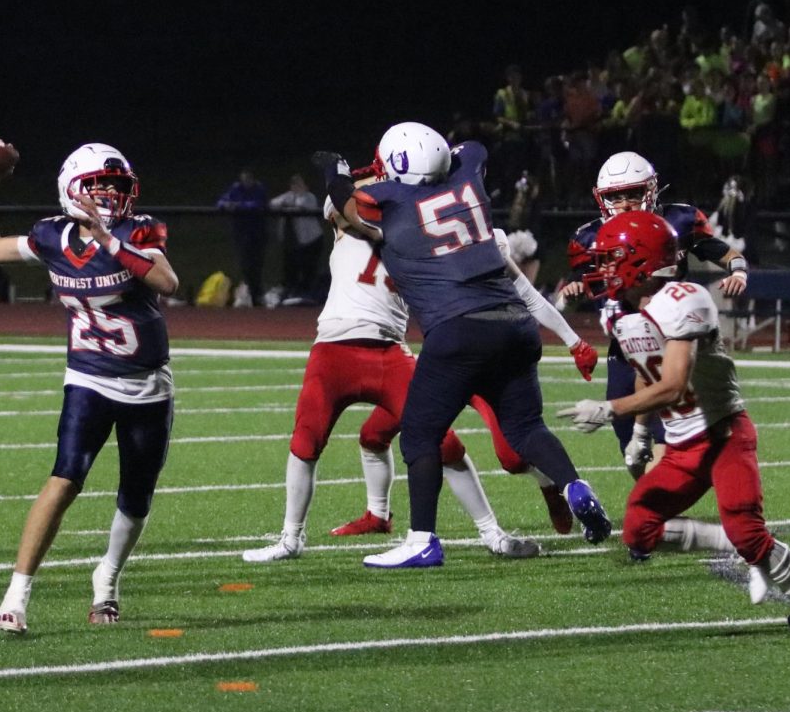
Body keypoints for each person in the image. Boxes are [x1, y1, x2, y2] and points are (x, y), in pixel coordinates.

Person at [318, 122, 610, 568]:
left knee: (418, 434)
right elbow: (471, 147)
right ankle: (573, 484)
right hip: (514, 324)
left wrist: (334, 170)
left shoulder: (394, 202)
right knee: (526, 428)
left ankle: (422, 540)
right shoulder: (469, 172)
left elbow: (346, 202)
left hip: (458, 329)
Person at [560, 210, 790, 646]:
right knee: (638, 529)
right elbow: (645, 370)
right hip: (681, 442)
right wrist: (639, 432)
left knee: (750, 531)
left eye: (611, 258)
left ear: (640, 260)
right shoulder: (625, 313)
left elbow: (672, 385)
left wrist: (608, 409)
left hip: (723, 433)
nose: (602, 269)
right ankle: (730, 544)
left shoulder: (684, 298)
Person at [242, 168, 547, 563]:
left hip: (388, 350)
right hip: (334, 347)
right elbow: (336, 204)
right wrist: (365, 179)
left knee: (443, 443)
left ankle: (494, 534)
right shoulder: (351, 223)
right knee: (305, 440)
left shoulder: (410, 232)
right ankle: (290, 538)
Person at [0, 143, 179, 634]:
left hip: (146, 384)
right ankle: (16, 595)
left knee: (136, 496)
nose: (108, 197)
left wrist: (109, 240)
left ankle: (107, 578)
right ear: (70, 189)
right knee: (65, 477)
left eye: (116, 188)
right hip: (87, 376)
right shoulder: (50, 236)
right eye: (97, 187)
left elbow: (167, 281)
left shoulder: (138, 229)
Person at [562, 151, 749, 480]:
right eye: (615, 196)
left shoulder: (678, 220)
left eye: (632, 193)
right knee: (631, 440)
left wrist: (739, 272)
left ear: (650, 190)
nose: (623, 204)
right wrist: (576, 292)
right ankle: (658, 506)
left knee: (678, 429)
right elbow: (592, 285)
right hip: (627, 343)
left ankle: (676, 503)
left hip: (675, 337)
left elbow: (725, 253)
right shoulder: (590, 237)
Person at [216, 169, 269, 307]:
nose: (245, 182)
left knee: (256, 265)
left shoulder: (259, 189)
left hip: (257, 233)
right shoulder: (236, 188)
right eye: (243, 179)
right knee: (245, 264)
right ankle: (250, 294)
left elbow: (258, 204)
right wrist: (226, 205)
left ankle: (258, 296)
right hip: (241, 233)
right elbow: (221, 202)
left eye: (248, 179)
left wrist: (238, 206)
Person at [268, 174, 323, 305]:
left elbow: (301, 205)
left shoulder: (309, 197)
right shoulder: (288, 195)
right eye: (293, 184)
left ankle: (309, 296)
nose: (295, 187)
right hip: (293, 241)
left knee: (309, 268)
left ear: (305, 186)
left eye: (299, 184)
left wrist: (290, 201)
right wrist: (285, 202)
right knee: (291, 268)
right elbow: (272, 203)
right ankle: (291, 294)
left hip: (312, 240)